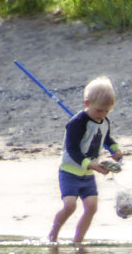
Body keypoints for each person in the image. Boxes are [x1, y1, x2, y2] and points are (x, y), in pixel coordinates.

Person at [48, 76, 124, 245]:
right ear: (87, 103)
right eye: (99, 110)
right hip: (70, 172)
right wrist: (91, 164)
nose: (102, 115)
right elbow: (72, 149)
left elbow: (106, 138)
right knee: (70, 206)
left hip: (88, 173)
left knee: (91, 207)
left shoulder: (104, 121)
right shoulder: (76, 123)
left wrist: (116, 149)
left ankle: (78, 242)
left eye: (107, 111)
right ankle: (53, 236)